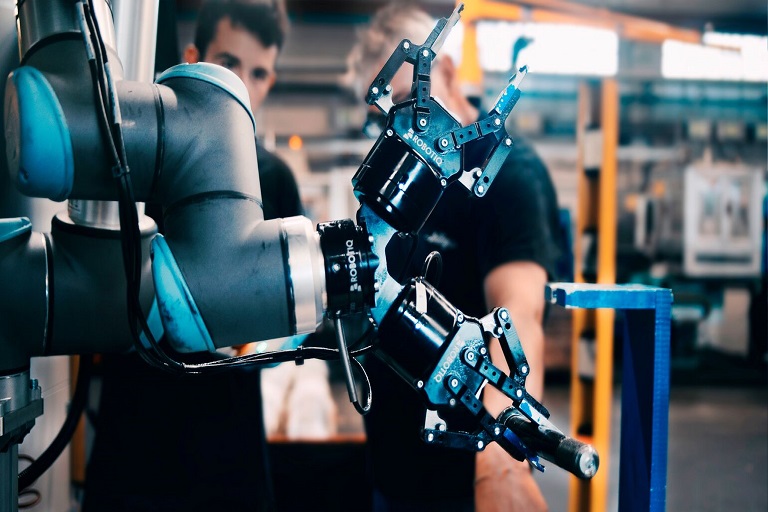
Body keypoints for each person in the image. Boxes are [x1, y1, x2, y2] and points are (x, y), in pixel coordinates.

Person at [82, 2, 317, 511]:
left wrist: (260, 340)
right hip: (135, 440)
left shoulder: (276, 179)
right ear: (193, 58)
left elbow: (300, 307)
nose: (244, 85)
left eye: (259, 73)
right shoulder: (140, 163)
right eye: (229, 64)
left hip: (228, 451)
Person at [346, 3, 563, 511]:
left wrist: (501, 459)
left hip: (463, 486)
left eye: (407, 102)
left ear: (441, 69)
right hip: (392, 475)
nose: (399, 127)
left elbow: (519, 314)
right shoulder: (399, 181)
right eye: (385, 116)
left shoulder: (509, 177)